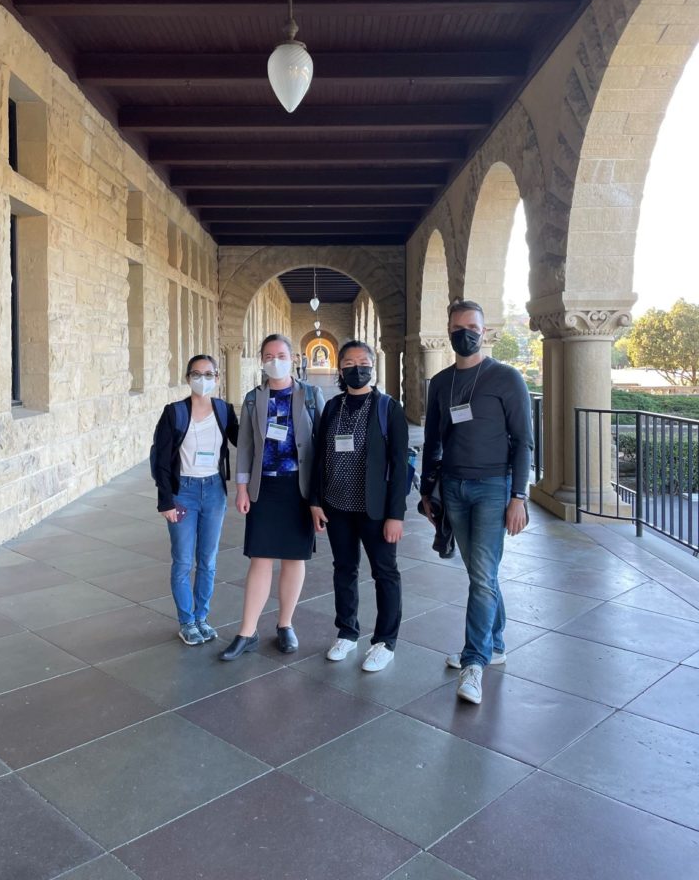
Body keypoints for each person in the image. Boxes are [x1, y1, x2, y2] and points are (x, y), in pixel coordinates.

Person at [421, 300, 533, 705]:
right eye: (457, 326)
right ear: (448, 330)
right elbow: (432, 439)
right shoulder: (441, 382)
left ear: (484, 332)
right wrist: (425, 491)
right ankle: (496, 643)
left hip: (492, 487)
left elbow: (523, 442)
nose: (464, 332)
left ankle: (474, 662)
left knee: (483, 576)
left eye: (472, 326)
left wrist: (519, 496)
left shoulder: (506, 378)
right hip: (453, 487)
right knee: (479, 573)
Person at [220, 334, 325, 660]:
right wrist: (240, 488)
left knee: (294, 558)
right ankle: (246, 631)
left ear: (293, 358)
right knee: (260, 558)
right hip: (264, 487)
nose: (274, 360)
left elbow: (323, 445)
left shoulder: (310, 394)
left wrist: (321, 497)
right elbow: (247, 446)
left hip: (300, 488)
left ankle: (285, 624)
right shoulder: (254, 398)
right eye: (268, 355)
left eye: (280, 354)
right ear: (261, 360)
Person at [310, 340, 408, 672]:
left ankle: (385, 642)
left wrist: (396, 514)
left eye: (362, 362)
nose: (356, 368)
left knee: (384, 572)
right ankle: (347, 632)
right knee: (344, 569)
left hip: (375, 510)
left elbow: (399, 465)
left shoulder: (388, 408)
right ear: (340, 369)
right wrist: (315, 501)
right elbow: (319, 456)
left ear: (372, 367)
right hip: (337, 505)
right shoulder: (333, 407)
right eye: (349, 363)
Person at [152, 354, 239, 646]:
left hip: (214, 490)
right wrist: (165, 500)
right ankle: (186, 621)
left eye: (209, 374)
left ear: (217, 378)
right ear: (188, 378)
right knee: (183, 560)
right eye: (197, 374)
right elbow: (160, 459)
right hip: (183, 492)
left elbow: (245, 441)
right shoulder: (174, 412)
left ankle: (202, 617)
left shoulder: (224, 410)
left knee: (208, 560)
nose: (203, 379)